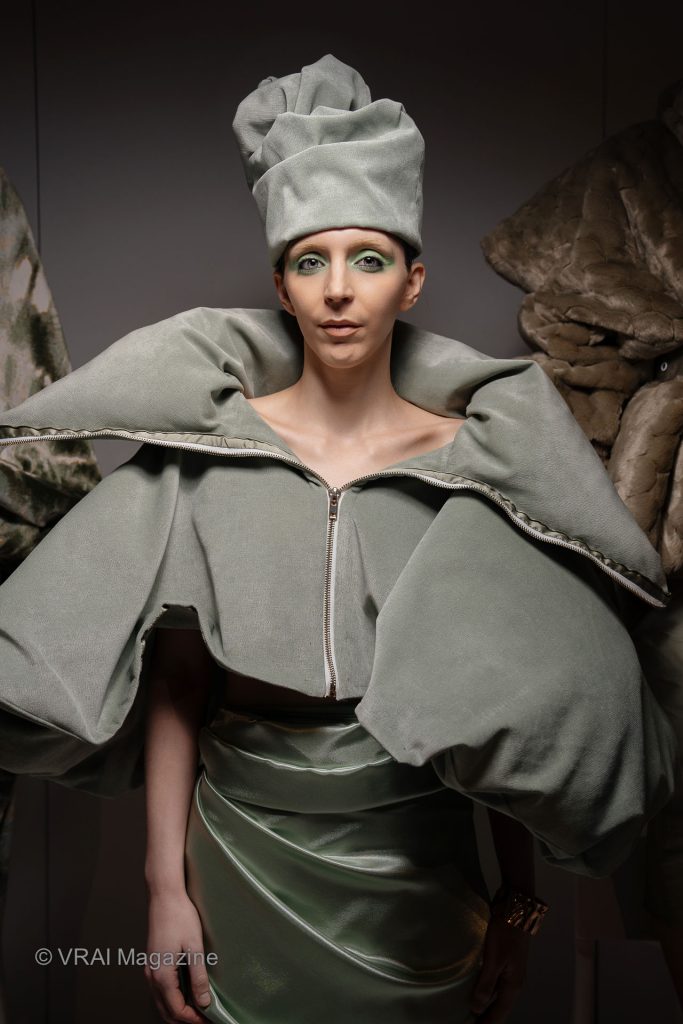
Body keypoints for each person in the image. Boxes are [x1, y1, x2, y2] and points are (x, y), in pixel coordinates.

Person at [0, 54, 677, 1024]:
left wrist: (517, 905)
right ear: (281, 286)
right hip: (240, 847)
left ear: (412, 281)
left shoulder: (475, 465)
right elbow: (179, 681)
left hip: (415, 866)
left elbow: (499, 704)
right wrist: (162, 887)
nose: (337, 290)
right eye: (309, 261)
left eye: (367, 258)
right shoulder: (210, 451)